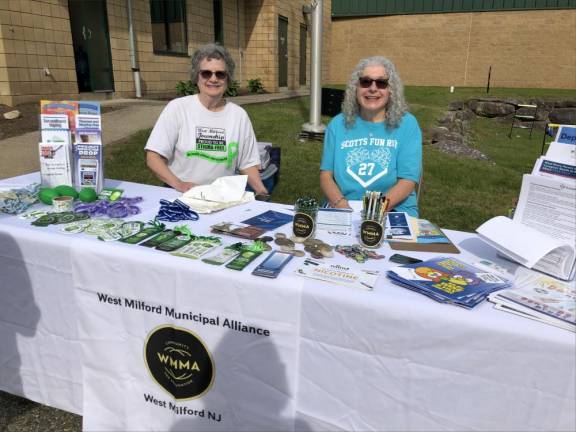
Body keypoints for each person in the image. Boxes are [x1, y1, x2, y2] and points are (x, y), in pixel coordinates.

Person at [145, 43, 268, 195]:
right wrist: (181, 185)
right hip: (180, 194)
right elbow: (154, 157)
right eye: (206, 73)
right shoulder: (177, 108)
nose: (213, 79)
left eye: (220, 74)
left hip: (223, 197)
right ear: (196, 76)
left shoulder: (239, 116)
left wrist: (261, 191)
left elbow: (248, 163)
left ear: (227, 79)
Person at [319, 56, 422, 217]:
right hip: (343, 206)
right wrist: (341, 205)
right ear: (356, 88)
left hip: (392, 207)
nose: (373, 88)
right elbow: (326, 175)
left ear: (391, 89)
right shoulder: (337, 124)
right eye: (366, 81)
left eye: (381, 83)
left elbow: (407, 180)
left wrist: (373, 211)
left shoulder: (407, 124)